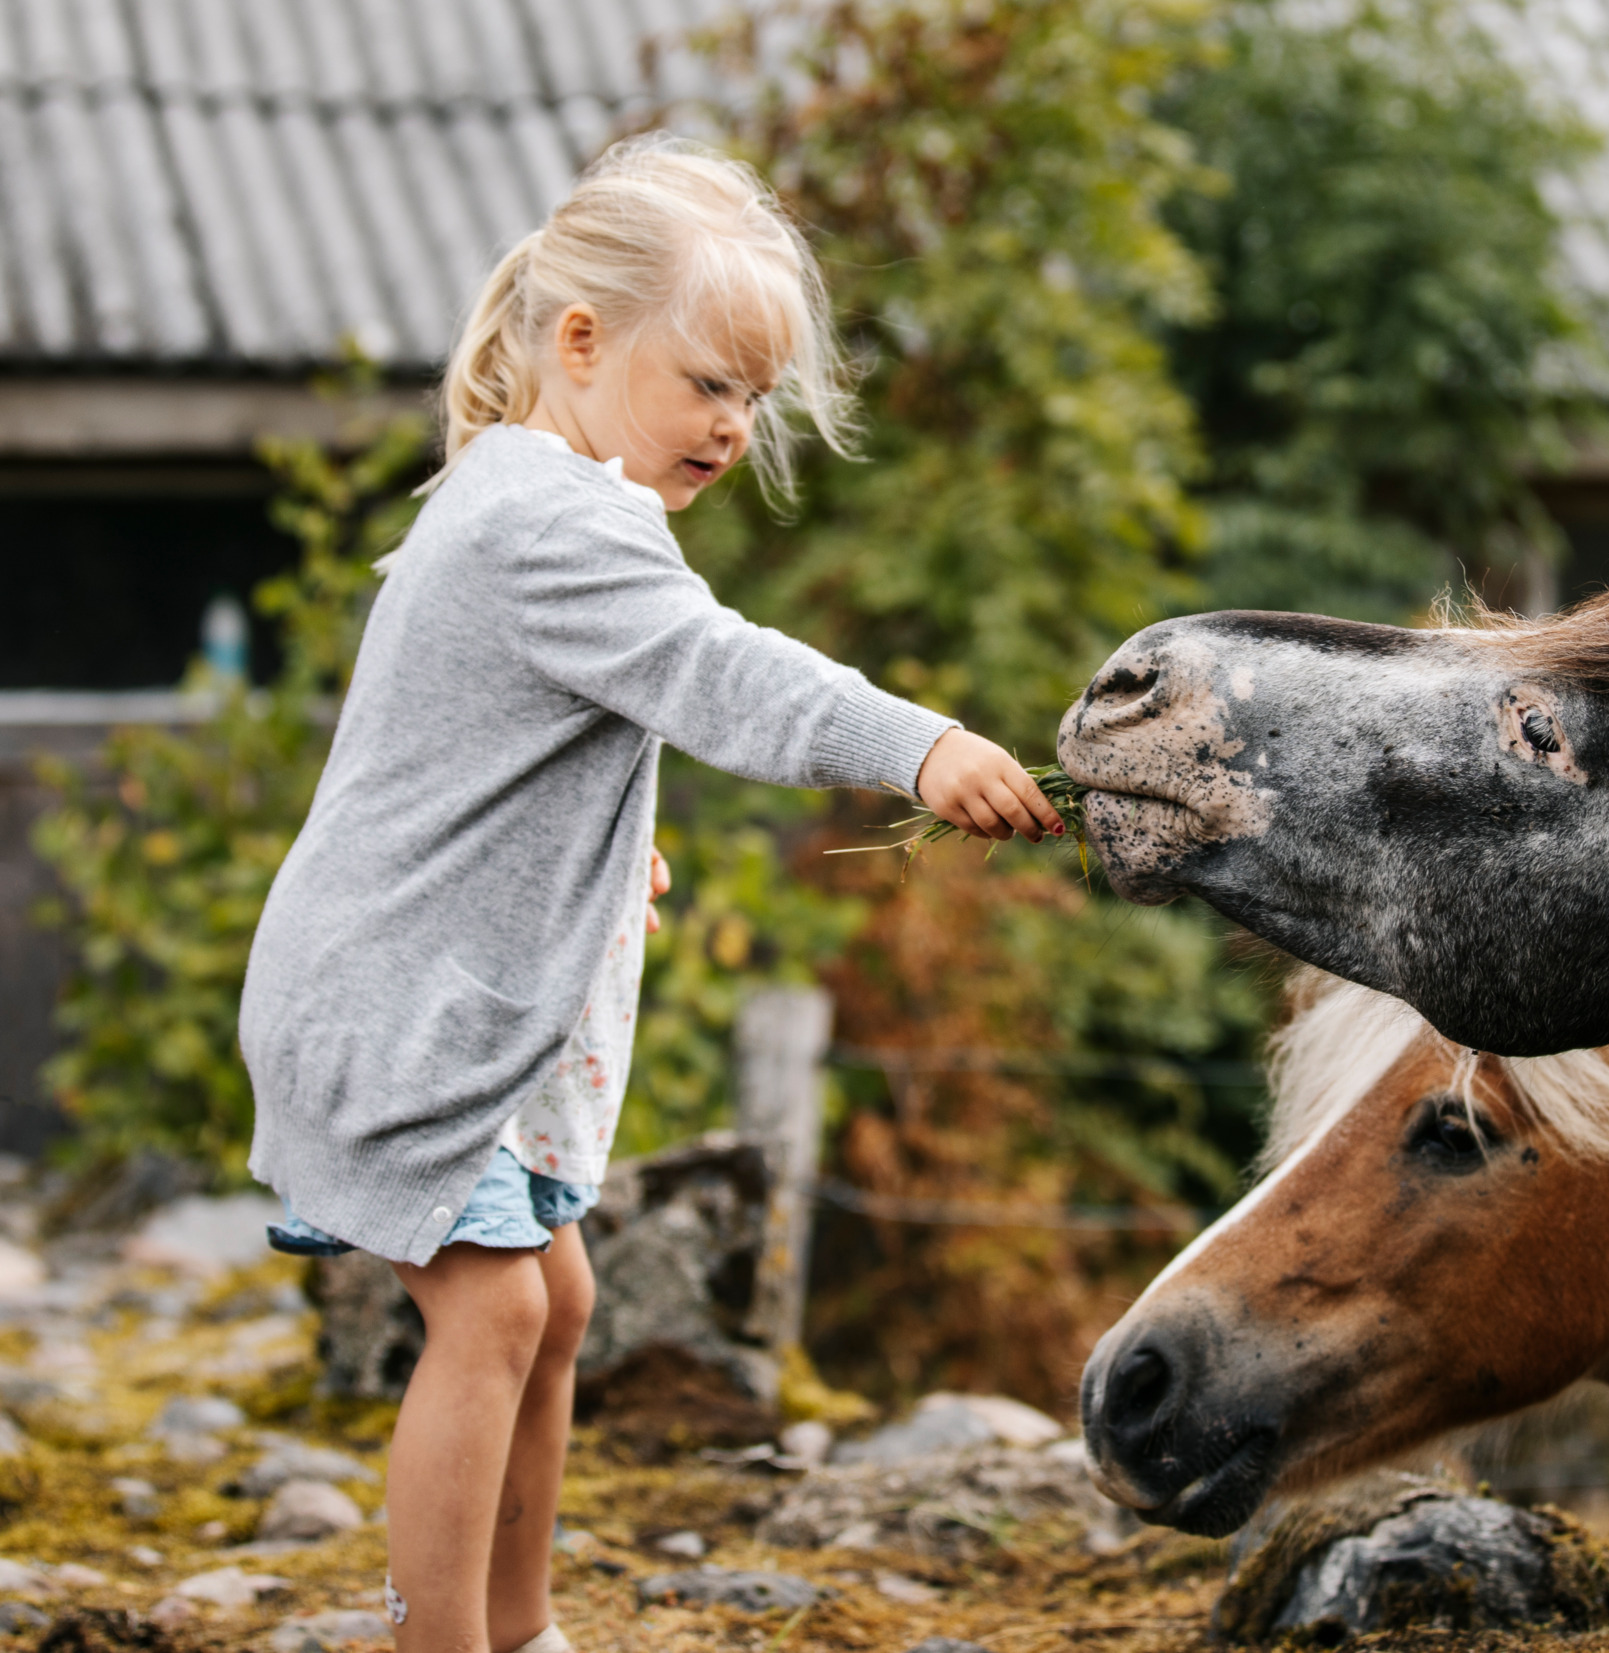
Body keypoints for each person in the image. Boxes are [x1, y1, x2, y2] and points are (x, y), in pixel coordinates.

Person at [238, 135, 1064, 1653]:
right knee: (489, 1316)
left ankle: (520, 1622)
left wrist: (610, 852)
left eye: (751, 400)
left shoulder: (516, 492)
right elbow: (716, 674)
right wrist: (917, 741)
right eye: (708, 384)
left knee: (553, 1305)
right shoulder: (554, 519)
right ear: (581, 342)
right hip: (400, 999)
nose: (733, 427)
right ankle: (441, 1641)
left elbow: (468, 749)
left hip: (423, 976)